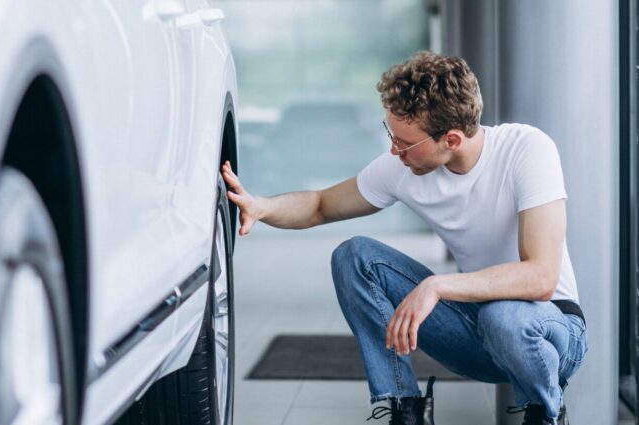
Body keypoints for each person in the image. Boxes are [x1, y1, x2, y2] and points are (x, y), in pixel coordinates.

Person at [221, 51, 587, 425]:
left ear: (452, 139)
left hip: (554, 331)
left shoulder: (526, 149)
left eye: (405, 143)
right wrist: (261, 207)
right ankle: (406, 412)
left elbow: (541, 278)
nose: (394, 150)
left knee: (504, 316)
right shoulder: (403, 167)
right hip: (475, 331)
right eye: (390, 134)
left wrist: (437, 286)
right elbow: (319, 205)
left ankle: (547, 413)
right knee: (354, 256)